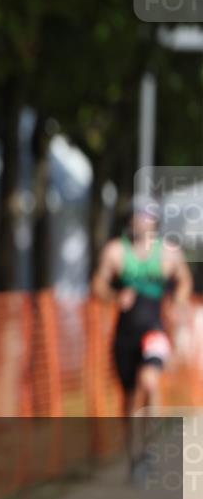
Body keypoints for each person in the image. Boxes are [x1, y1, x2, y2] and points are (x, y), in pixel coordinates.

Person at [91, 195, 193, 479]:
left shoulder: (169, 253)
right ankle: (135, 457)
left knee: (149, 381)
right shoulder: (116, 252)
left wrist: (179, 301)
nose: (142, 220)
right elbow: (98, 283)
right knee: (129, 398)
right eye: (138, 214)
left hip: (155, 329)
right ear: (131, 218)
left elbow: (184, 280)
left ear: (155, 220)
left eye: (148, 215)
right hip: (125, 335)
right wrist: (114, 295)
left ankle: (150, 448)